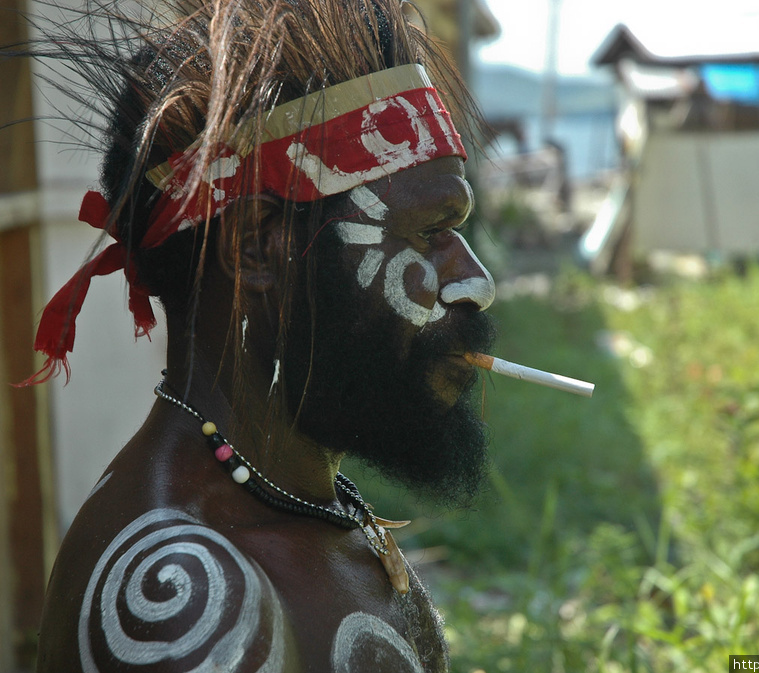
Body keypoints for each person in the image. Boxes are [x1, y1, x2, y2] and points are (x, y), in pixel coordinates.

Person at [22, 0, 497, 670]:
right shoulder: (190, 606)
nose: (475, 283)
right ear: (256, 247)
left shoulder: (302, 500)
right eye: (427, 233)